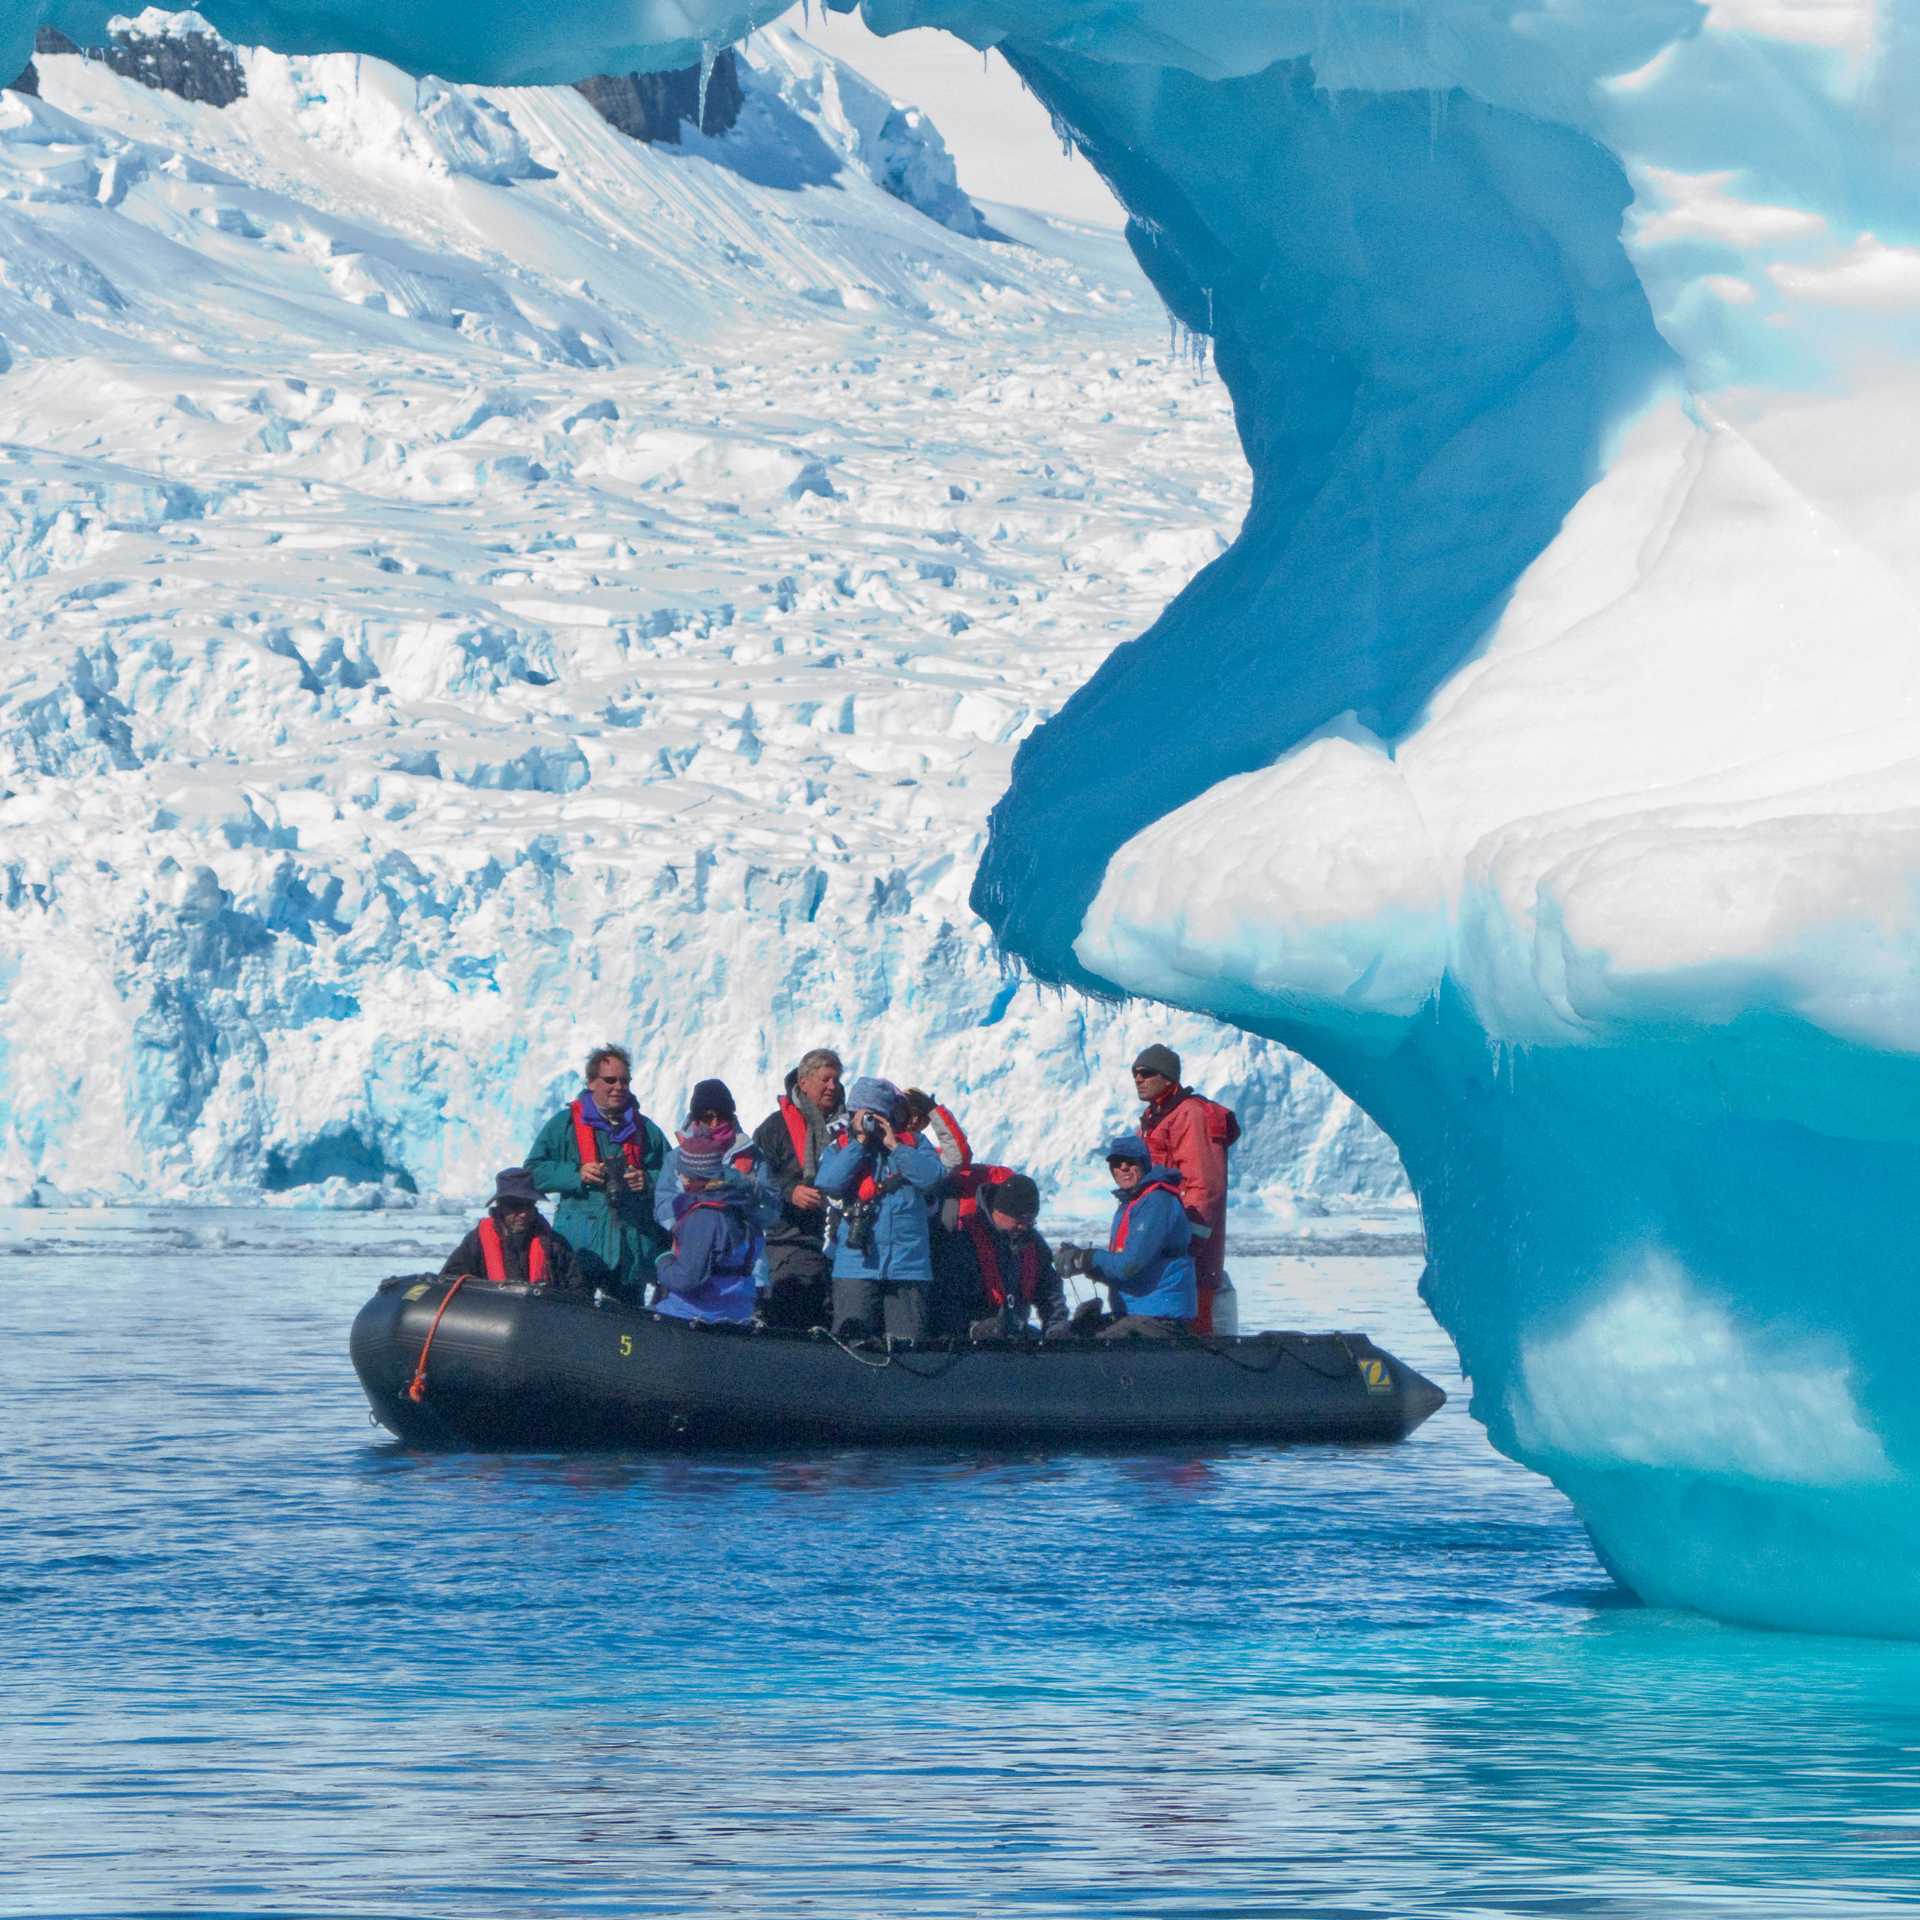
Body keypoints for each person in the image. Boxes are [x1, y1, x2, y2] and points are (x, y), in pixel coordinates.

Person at [525, 1043, 669, 1303]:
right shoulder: (564, 1125)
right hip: (579, 1249)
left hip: (629, 1252)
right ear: (592, 1082)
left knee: (626, 1329)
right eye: (610, 1080)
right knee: (573, 1319)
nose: (618, 1087)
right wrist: (576, 1174)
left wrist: (647, 1180)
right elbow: (532, 1172)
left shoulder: (647, 1130)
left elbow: (675, 1179)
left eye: (624, 1081)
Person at [816, 1075, 945, 1342]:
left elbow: (932, 1178)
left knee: (907, 1350)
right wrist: (858, 1144)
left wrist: (895, 1147)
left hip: (908, 1267)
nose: (869, 1122)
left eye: (876, 1115)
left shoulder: (915, 1143)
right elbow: (829, 1183)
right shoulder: (840, 1147)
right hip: (855, 1267)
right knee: (853, 1348)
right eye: (862, 1114)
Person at [1131, 1043, 1240, 1334]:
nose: (1138, 1079)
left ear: (1168, 1078)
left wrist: (1187, 1246)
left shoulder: (1190, 1115)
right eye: (1135, 1074)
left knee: (1196, 1333)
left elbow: (1205, 1187)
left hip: (1188, 1259)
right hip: (1164, 1253)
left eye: (1146, 1072)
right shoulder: (1155, 1119)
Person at [1057, 1134, 1196, 1339]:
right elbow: (1127, 1269)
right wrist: (1086, 1266)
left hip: (1158, 1317)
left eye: (1131, 1162)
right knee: (1068, 1334)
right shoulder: (1132, 1203)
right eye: (1116, 1162)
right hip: (1136, 1312)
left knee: (1092, 1345)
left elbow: (1128, 1266)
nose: (1123, 1167)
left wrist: (1087, 1258)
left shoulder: (1157, 1202)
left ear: (1144, 1164)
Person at [752, 1047, 844, 1329]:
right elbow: (756, 1177)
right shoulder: (775, 1128)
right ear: (803, 1083)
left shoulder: (847, 1127)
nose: (833, 1087)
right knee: (791, 1317)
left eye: (836, 1080)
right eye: (825, 1079)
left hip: (838, 1246)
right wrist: (790, 1191)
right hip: (789, 1241)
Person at [652, 1126, 765, 1325]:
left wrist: (663, 1261)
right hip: (739, 1313)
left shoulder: (704, 1217)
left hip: (695, 1314)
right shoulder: (741, 1207)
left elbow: (687, 1278)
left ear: (689, 1176)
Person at [654, 1077, 780, 1238]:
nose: (715, 1124)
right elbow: (662, 1211)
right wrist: (695, 1203)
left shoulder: (752, 1155)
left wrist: (748, 1195)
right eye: (708, 1117)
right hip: (695, 1250)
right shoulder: (676, 1158)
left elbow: (773, 1210)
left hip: (744, 1254)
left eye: (722, 1116)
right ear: (697, 1118)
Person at [955, 1173, 1070, 1342]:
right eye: (1020, 1220)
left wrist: (1056, 1326)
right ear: (999, 1211)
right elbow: (947, 1299)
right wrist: (973, 1329)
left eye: (1031, 1221)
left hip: (1015, 1337)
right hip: (970, 1342)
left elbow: (1049, 1290)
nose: (1025, 1226)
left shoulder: (1032, 1243)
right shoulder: (964, 1239)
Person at [441, 1167, 579, 1287]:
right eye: (516, 1206)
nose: (524, 1213)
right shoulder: (476, 1241)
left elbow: (577, 1287)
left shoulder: (555, 1244)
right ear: (500, 1207)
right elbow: (450, 1279)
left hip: (541, 1313)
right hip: (491, 1312)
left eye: (529, 1205)